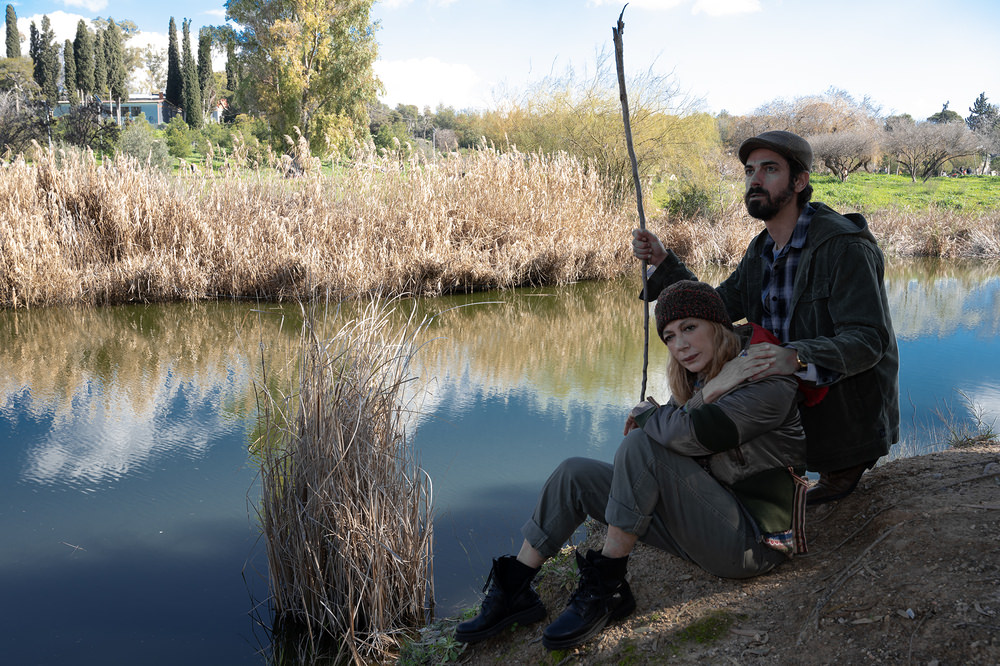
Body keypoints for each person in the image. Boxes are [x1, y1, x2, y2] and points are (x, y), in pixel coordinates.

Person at [455, 280, 807, 650]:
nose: (680, 344)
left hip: (751, 542)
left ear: (718, 324)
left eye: (690, 328)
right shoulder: (705, 376)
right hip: (700, 520)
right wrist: (707, 391)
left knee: (643, 444)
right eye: (669, 336)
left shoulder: (766, 378)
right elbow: (675, 422)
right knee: (574, 472)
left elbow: (686, 434)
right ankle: (515, 587)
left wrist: (653, 411)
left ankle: (609, 587)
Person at [631, 130, 899, 505]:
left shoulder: (844, 247)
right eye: (749, 170)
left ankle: (840, 463)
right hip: (780, 398)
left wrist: (796, 356)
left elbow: (869, 340)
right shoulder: (761, 249)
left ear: (800, 181)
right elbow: (715, 309)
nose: (754, 180)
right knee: (719, 345)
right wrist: (664, 262)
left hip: (841, 411)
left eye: (769, 169)